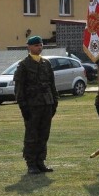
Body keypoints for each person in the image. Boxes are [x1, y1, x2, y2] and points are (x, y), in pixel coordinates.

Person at [14, 35, 58, 174]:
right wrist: (23, 107)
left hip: (46, 103)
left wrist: (54, 102)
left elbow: (52, 85)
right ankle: (31, 163)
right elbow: (19, 89)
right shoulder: (24, 65)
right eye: (36, 45)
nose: (39, 48)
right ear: (29, 47)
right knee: (32, 135)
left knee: (44, 134)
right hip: (32, 106)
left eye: (40, 45)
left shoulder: (46, 63)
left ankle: (40, 162)